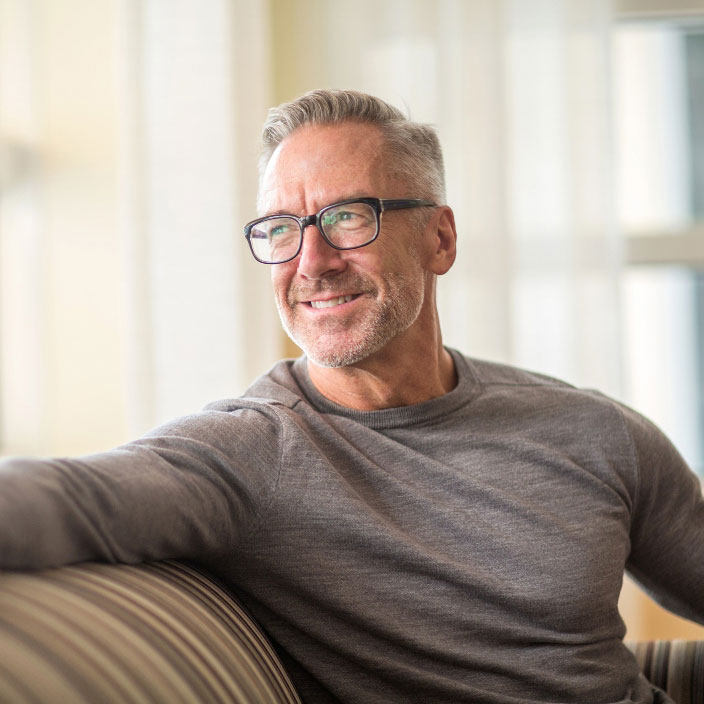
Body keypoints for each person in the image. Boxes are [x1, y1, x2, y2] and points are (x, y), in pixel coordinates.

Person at [0, 88, 702, 704]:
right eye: (281, 229)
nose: (311, 263)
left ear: (440, 237)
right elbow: (67, 497)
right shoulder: (246, 455)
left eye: (347, 218)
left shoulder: (594, 430)